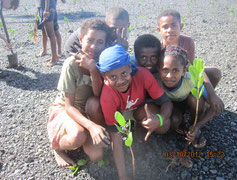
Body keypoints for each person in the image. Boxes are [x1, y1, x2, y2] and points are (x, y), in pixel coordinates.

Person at [97, 44, 172, 180]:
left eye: (124, 74)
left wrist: (159, 120)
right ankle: (136, 130)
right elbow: (116, 138)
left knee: (164, 126)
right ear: (104, 76)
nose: (120, 81)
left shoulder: (143, 74)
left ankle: (140, 128)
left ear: (130, 67)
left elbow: (166, 102)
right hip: (121, 116)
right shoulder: (107, 97)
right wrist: (123, 176)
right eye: (113, 77)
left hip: (139, 110)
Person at [47, 18, 112, 167]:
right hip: (67, 109)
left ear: (105, 44)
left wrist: (93, 69)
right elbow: (69, 106)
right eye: (90, 40)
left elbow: (98, 96)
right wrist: (91, 127)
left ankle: (89, 133)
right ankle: (57, 147)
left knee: (96, 156)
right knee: (78, 136)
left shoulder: (102, 63)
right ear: (81, 39)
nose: (94, 46)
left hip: (89, 110)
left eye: (100, 42)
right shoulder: (71, 64)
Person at [157, 9, 224, 115]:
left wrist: (212, 95)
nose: (170, 30)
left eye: (174, 25)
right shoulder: (158, 48)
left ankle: (204, 100)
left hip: (185, 75)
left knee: (215, 73)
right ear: (159, 30)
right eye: (165, 26)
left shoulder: (188, 42)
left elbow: (194, 68)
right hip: (169, 83)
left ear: (181, 27)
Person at [158, 46, 216, 148]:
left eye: (175, 70)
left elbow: (214, 107)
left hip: (188, 103)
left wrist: (198, 126)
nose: (169, 76)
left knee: (195, 99)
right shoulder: (156, 81)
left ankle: (194, 126)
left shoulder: (191, 80)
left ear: (184, 70)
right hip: (172, 106)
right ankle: (182, 124)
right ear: (159, 69)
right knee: (175, 120)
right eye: (165, 70)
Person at [64, 7, 130, 57]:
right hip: (76, 52)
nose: (117, 33)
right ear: (106, 24)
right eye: (113, 29)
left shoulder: (120, 33)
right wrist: (120, 50)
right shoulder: (99, 31)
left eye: (121, 29)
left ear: (128, 25)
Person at [36, 0, 65, 67]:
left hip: (47, 8)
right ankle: (46, 51)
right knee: (46, 31)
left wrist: (46, 10)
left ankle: (54, 58)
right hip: (45, 7)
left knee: (51, 34)